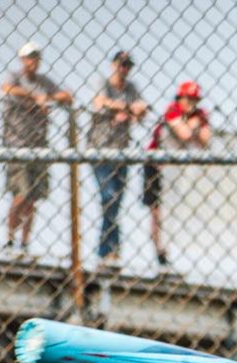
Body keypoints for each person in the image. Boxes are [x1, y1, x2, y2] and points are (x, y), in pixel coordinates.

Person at [1, 42, 72, 258]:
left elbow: (67, 95)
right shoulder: (15, 77)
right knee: (21, 194)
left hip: (39, 145)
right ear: (22, 60)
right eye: (28, 58)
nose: (32, 62)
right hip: (18, 144)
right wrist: (34, 98)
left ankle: (24, 242)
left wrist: (46, 98)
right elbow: (7, 88)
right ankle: (10, 238)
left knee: (33, 198)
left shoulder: (44, 82)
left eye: (35, 58)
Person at [88, 51, 149, 269]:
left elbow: (141, 110)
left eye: (128, 65)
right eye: (121, 64)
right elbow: (100, 102)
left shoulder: (131, 88)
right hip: (101, 149)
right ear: (114, 64)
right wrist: (126, 108)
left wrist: (133, 112)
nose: (124, 69)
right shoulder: (102, 82)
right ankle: (107, 249)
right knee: (109, 197)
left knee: (116, 202)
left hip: (121, 151)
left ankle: (111, 250)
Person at [144, 80, 210, 270]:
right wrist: (194, 125)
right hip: (156, 165)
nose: (191, 104)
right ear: (180, 98)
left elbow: (205, 140)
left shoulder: (199, 114)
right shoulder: (172, 109)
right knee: (157, 211)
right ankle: (160, 253)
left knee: (174, 209)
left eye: (195, 100)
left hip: (177, 169)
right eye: (188, 98)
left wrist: (192, 126)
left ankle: (169, 252)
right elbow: (185, 134)